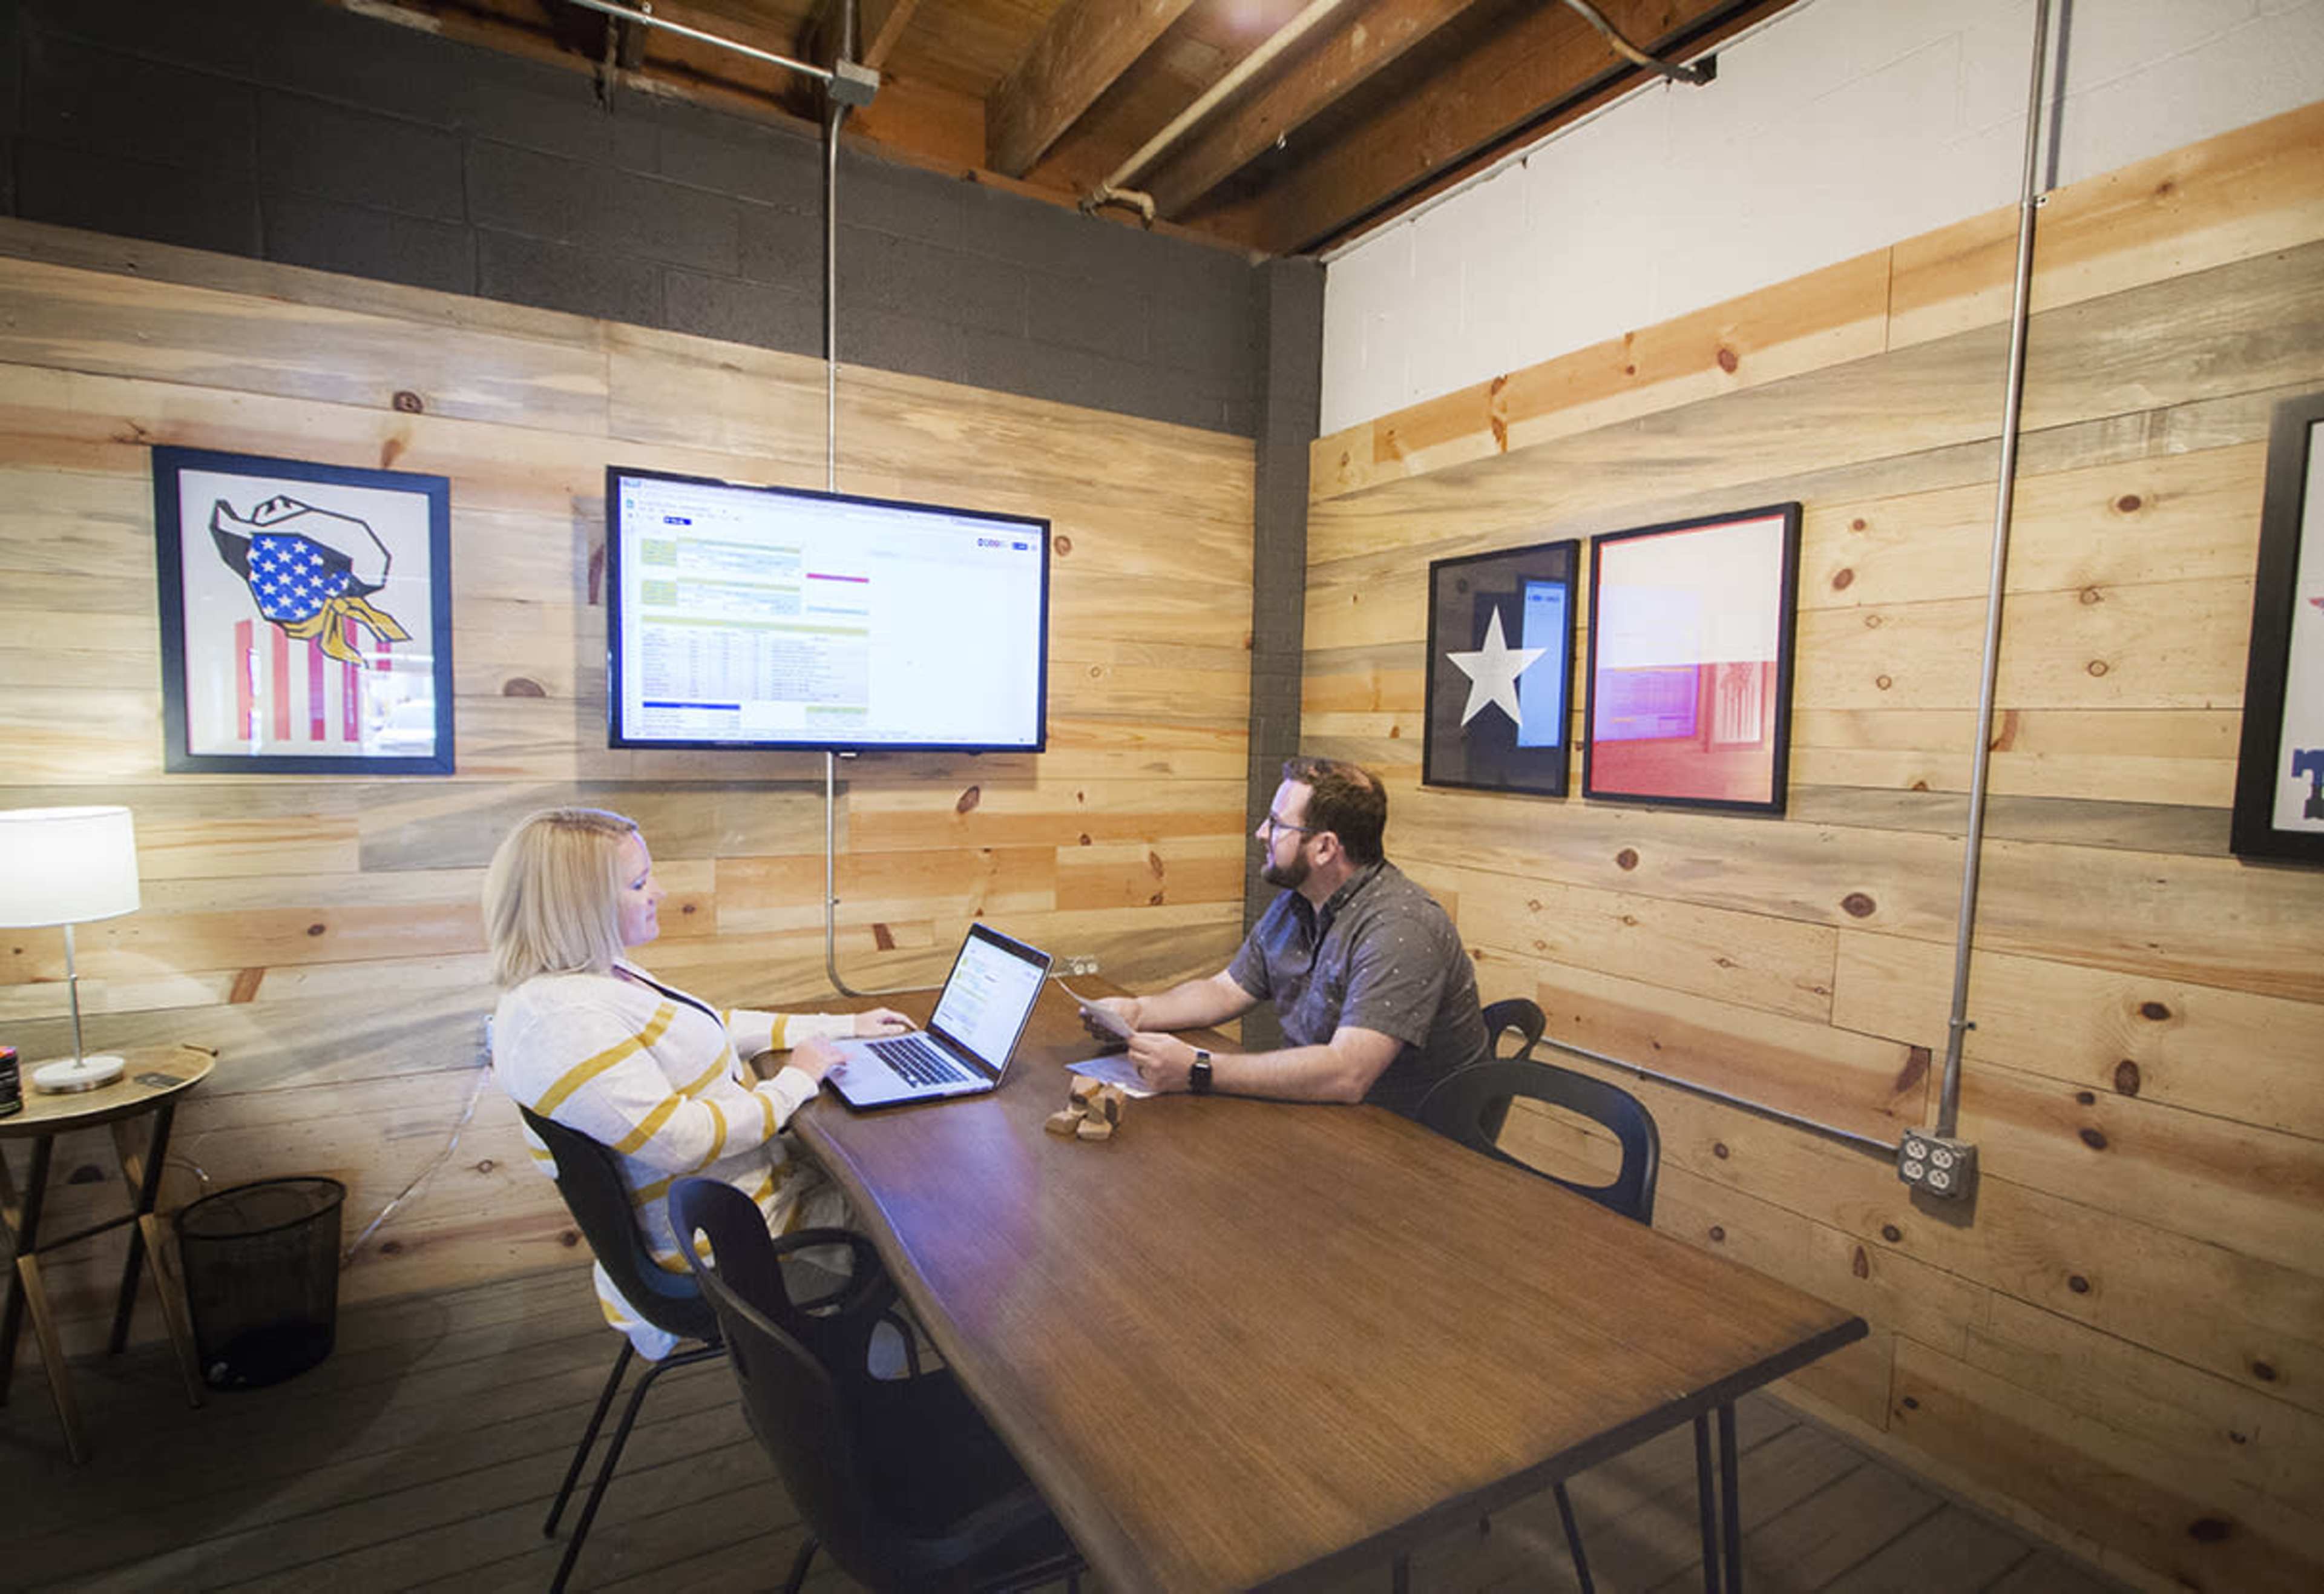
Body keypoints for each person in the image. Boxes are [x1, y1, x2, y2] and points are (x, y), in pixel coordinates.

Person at [481, 806, 909, 1357]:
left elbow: (713, 1028)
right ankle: (867, 1390)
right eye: (638, 883)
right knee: (923, 1231)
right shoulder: (563, 1024)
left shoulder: (595, 975)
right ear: (578, 905)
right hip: (734, 1246)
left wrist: (842, 1027)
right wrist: (795, 1081)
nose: (658, 891)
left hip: (745, 1202)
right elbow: (677, 1139)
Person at [1083, 757, 1488, 1118]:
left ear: (1325, 847)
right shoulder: (1300, 901)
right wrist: (1138, 1011)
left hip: (1412, 1145)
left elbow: (1348, 1072)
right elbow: (1225, 991)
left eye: (1277, 823)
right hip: (1325, 1113)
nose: (1262, 832)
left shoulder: (1400, 928)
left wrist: (1198, 1068)